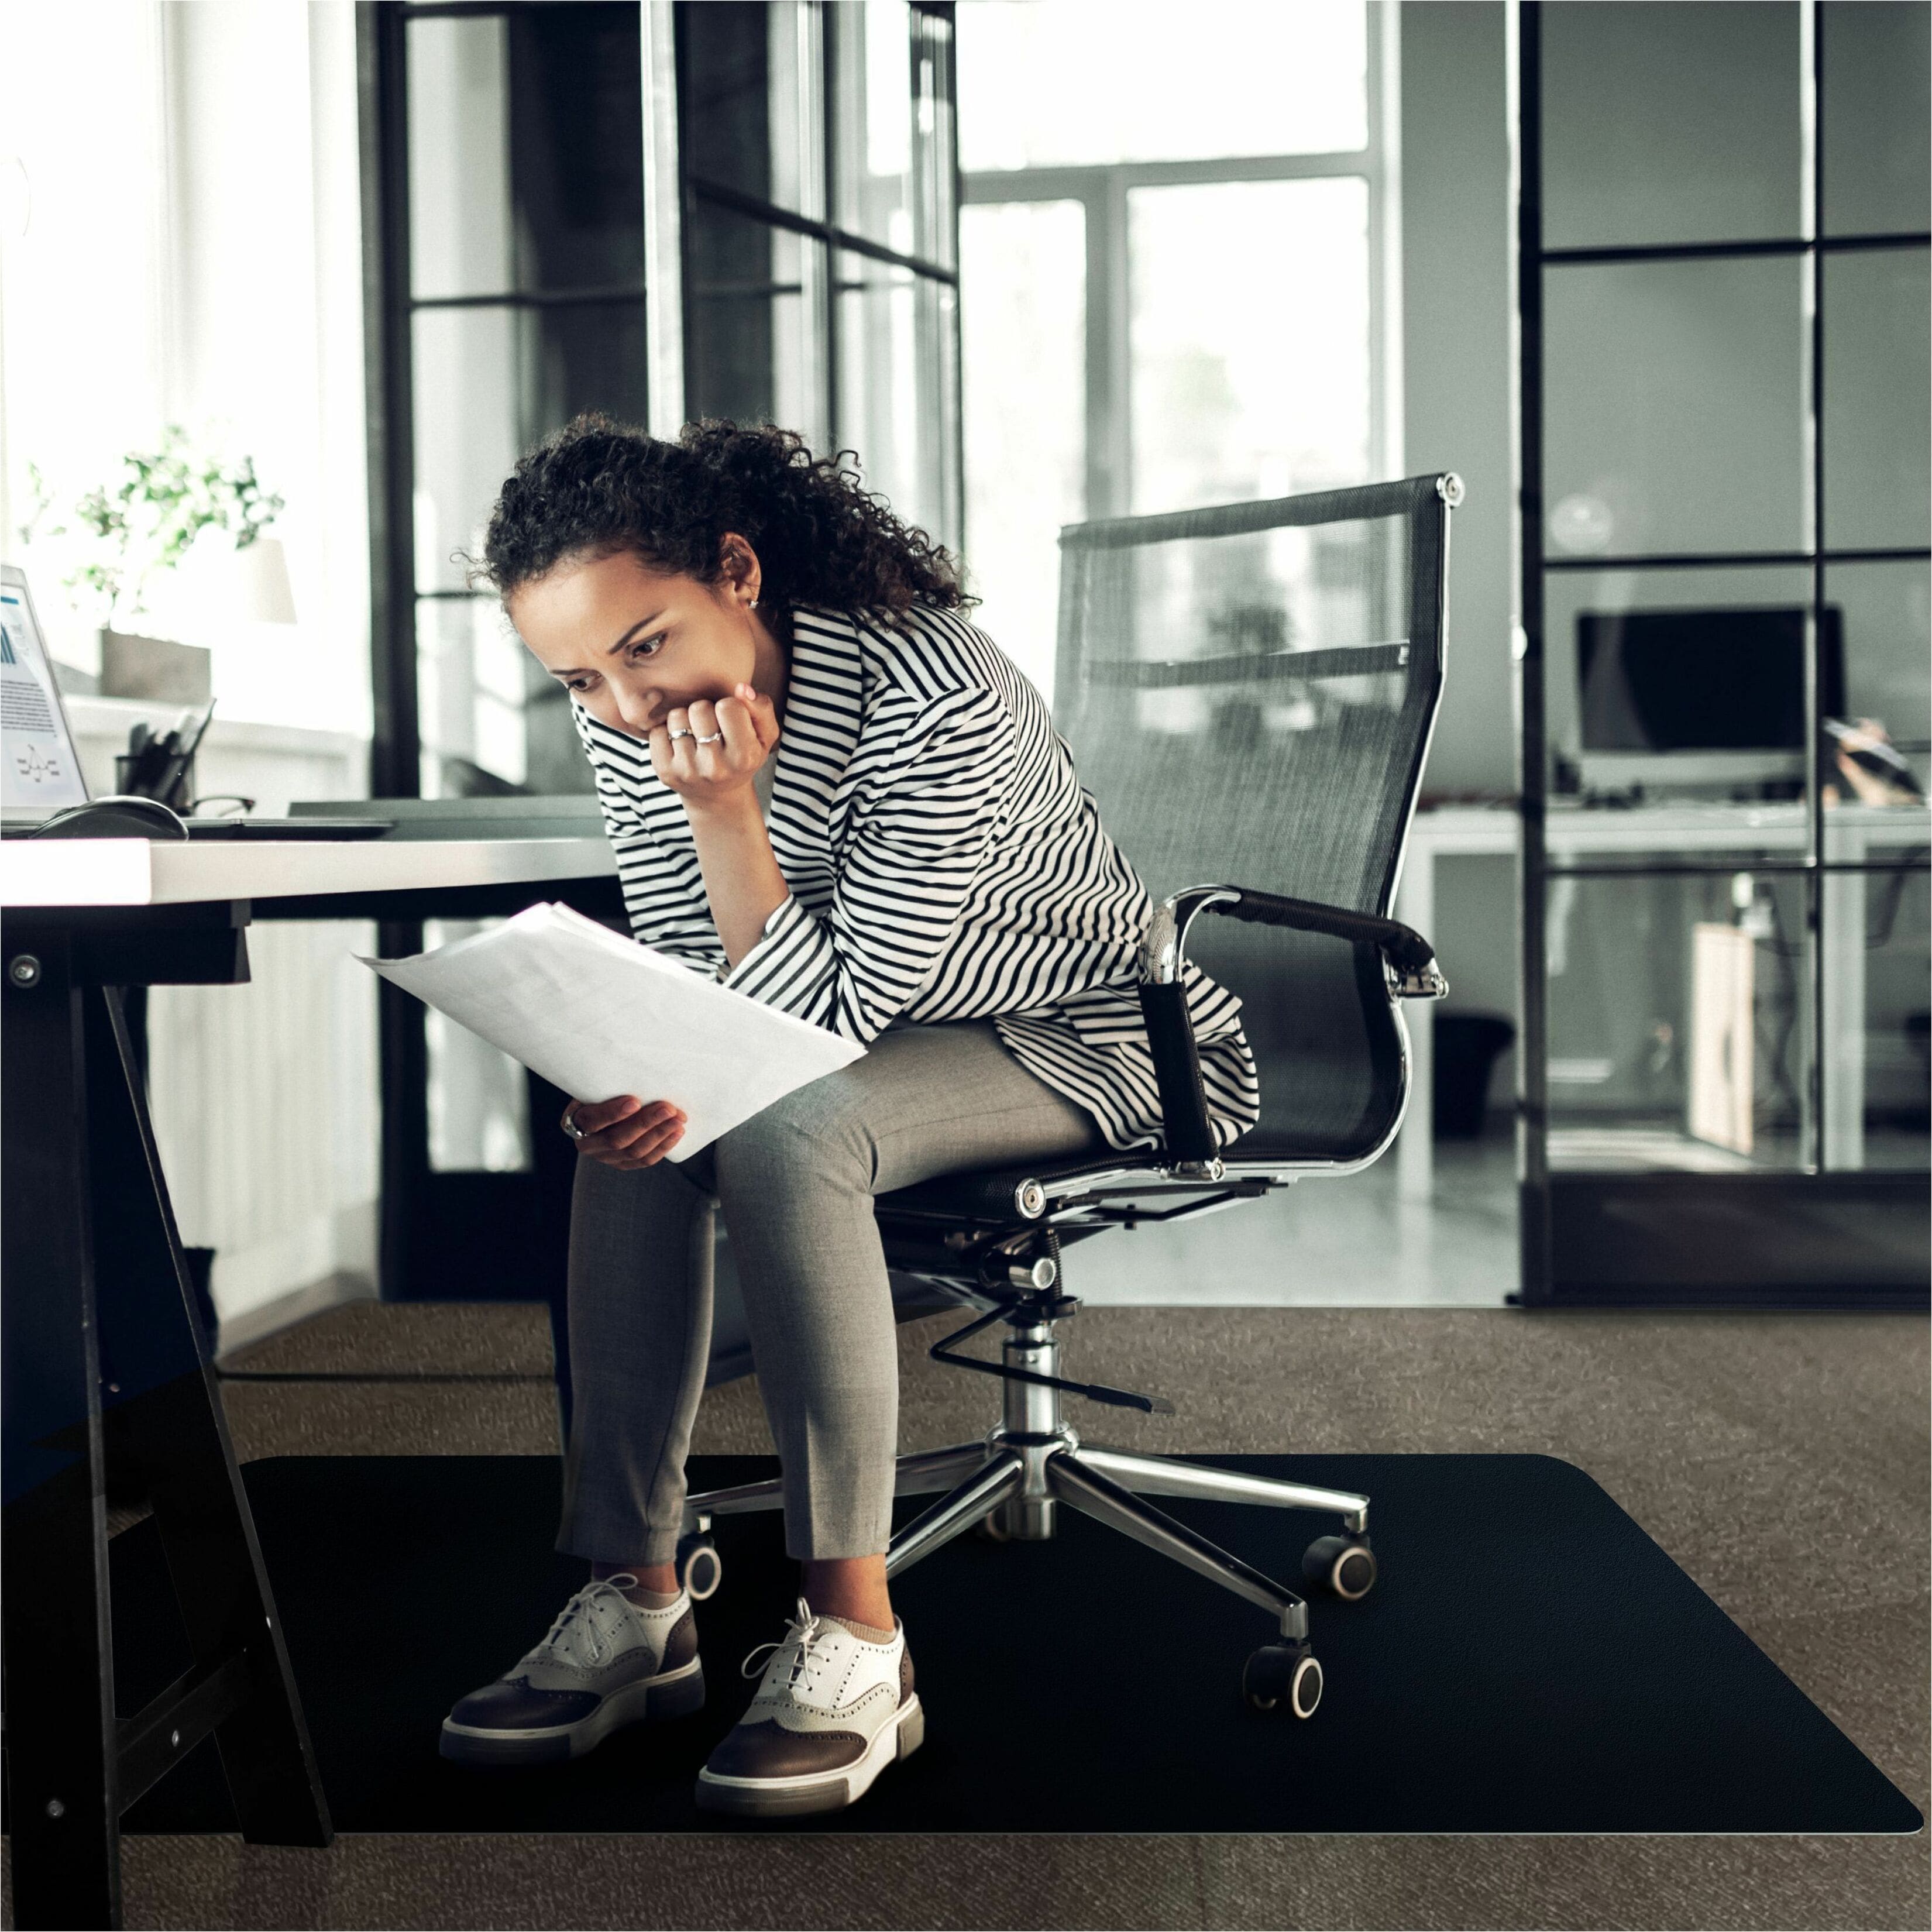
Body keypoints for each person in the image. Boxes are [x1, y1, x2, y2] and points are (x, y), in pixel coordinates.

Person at [438, 415, 1259, 1817]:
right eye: (580, 675)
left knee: (787, 1120)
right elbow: (703, 978)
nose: (626, 708)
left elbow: (825, 1026)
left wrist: (724, 811)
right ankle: (635, 1597)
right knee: (640, 1125)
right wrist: (650, 1067)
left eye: (646, 647)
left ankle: (855, 1640)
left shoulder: (928, 685)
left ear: (740, 573)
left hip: (1096, 1036)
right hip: (867, 1038)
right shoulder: (623, 711)